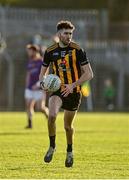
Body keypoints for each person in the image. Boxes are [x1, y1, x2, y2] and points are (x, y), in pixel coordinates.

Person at [39, 20, 93, 167]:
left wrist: (73, 85)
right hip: (57, 90)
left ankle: (69, 151)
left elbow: (89, 74)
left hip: (74, 92)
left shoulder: (78, 50)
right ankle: (52, 146)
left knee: (68, 127)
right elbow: (43, 71)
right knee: (51, 116)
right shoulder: (50, 51)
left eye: (70, 33)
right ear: (59, 34)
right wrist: (42, 82)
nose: (69, 36)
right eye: (66, 33)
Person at [25, 44, 49, 128]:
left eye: (30, 51)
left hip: (39, 88)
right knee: (28, 105)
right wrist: (27, 85)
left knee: (40, 108)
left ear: (35, 51)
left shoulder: (41, 61)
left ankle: (48, 116)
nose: (29, 53)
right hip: (30, 88)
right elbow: (28, 74)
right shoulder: (30, 61)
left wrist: (38, 85)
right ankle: (30, 123)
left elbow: (45, 75)